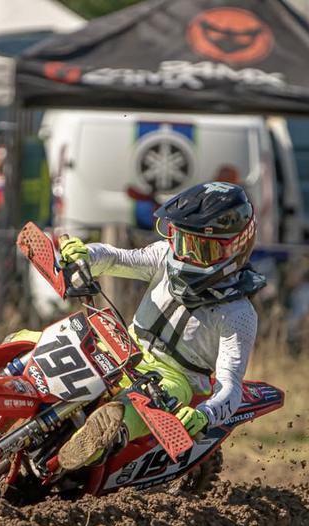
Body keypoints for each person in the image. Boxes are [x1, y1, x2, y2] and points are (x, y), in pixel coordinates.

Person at [55, 182, 265, 471]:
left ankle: (102, 440)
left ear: (233, 249)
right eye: (180, 240)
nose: (184, 254)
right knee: (35, 339)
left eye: (198, 248)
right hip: (123, 346)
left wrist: (204, 414)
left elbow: (230, 385)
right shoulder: (164, 255)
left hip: (174, 378)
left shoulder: (238, 313)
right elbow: (117, 258)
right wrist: (85, 255)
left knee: (131, 410)